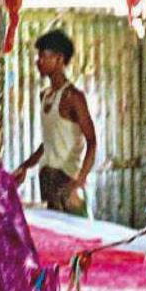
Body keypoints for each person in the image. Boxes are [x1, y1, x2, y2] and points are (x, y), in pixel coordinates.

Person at [18, 28, 97, 216]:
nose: (38, 61)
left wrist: (79, 181)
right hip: (48, 185)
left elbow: (92, 142)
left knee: (75, 233)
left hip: (66, 185)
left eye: (43, 56)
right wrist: (25, 166)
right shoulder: (45, 96)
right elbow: (48, 144)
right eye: (38, 57)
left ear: (60, 59)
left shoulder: (73, 97)